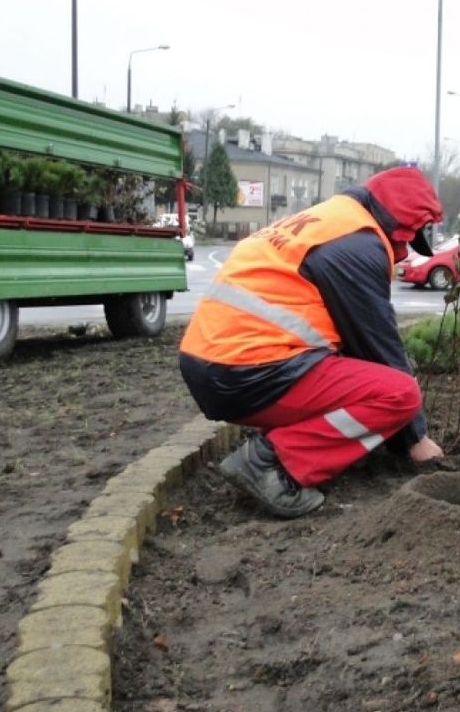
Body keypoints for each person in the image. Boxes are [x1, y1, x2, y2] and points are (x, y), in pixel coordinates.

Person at [179, 166, 446, 518]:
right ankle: (269, 462)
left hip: (211, 365)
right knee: (399, 393)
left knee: (348, 371)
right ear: (400, 223)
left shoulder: (330, 221)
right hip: (246, 372)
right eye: (406, 241)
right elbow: (379, 348)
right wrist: (415, 438)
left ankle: (279, 447)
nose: (404, 252)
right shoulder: (358, 243)